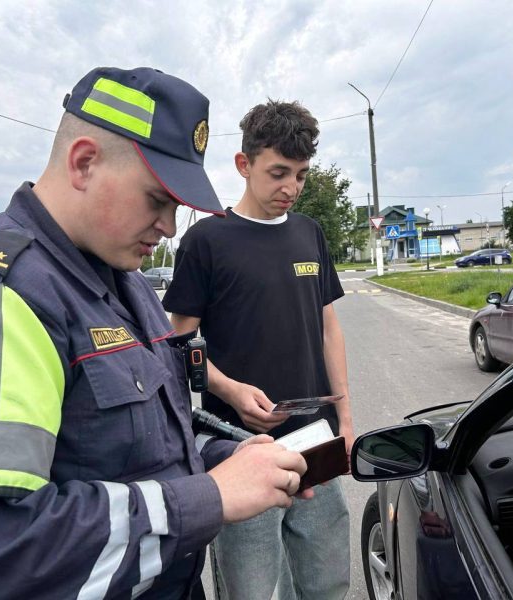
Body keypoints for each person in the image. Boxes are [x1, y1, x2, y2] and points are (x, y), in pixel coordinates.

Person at [0, 67, 313, 599]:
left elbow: (138, 449)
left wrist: (228, 461)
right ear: (84, 162)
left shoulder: (125, 282)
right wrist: (209, 497)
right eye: (156, 199)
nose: (168, 226)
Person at [164, 100, 353, 600]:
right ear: (243, 165)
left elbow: (328, 328)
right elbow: (177, 343)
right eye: (278, 173)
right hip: (240, 449)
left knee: (326, 579)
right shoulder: (206, 241)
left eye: (301, 175)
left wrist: (347, 422)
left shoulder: (309, 233)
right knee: (254, 588)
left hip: (316, 441)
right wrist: (228, 388)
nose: (290, 188)